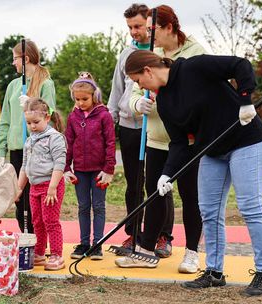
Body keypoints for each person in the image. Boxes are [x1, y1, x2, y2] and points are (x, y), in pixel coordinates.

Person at [125, 50, 262, 296]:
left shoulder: (194, 67)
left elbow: (241, 65)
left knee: (250, 206)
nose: (139, 86)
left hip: (246, 140)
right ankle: (214, 272)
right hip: (213, 150)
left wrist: (246, 99)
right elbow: (179, 143)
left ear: (148, 71)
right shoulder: (164, 102)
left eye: (137, 80)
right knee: (209, 210)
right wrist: (167, 174)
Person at [115, 5, 206, 272]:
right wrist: (136, 106)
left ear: (169, 28)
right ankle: (145, 250)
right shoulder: (150, 53)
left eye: (153, 30)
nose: (148, 36)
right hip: (156, 138)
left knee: (190, 196)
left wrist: (168, 99)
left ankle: (191, 253)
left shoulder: (194, 52)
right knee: (154, 193)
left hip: (187, 141)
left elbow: (198, 93)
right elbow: (134, 91)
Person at [0, 39, 56, 234]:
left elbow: (51, 112)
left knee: (35, 199)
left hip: (37, 148)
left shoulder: (46, 83)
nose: (13, 63)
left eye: (15, 59)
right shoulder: (13, 85)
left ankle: (37, 241)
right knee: (19, 198)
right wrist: (1, 148)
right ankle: (25, 239)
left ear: (26, 58)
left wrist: (32, 103)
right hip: (16, 147)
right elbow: (5, 117)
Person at [107, 3, 151, 251]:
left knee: (157, 183)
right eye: (130, 27)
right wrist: (111, 119)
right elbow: (117, 89)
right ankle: (133, 232)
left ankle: (161, 235)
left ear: (149, 24)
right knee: (133, 183)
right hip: (129, 125)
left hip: (154, 126)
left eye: (138, 26)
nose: (134, 31)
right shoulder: (126, 54)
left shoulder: (159, 49)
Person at [64, 72, 116, 260]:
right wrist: (65, 168)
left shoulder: (104, 116)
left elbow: (111, 143)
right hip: (80, 171)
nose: (80, 103)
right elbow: (68, 143)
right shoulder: (73, 117)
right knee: (83, 207)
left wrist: (109, 169)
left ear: (94, 96)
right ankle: (84, 243)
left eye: (84, 99)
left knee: (99, 206)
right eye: (77, 99)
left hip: (99, 171)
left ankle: (98, 244)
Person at [15, 98, 66, 271]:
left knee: (50, 220)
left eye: (36, 122)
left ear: (47, 117)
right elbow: (24, 166)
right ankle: (39, 252)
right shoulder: (29, 140)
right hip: (35, 187)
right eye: (28, 123)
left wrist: (52, 187)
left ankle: (57, 254)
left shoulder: (55, 138)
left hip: (51, 186)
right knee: (37, 221)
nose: (32, 126)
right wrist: (19, 188)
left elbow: (60, 164)